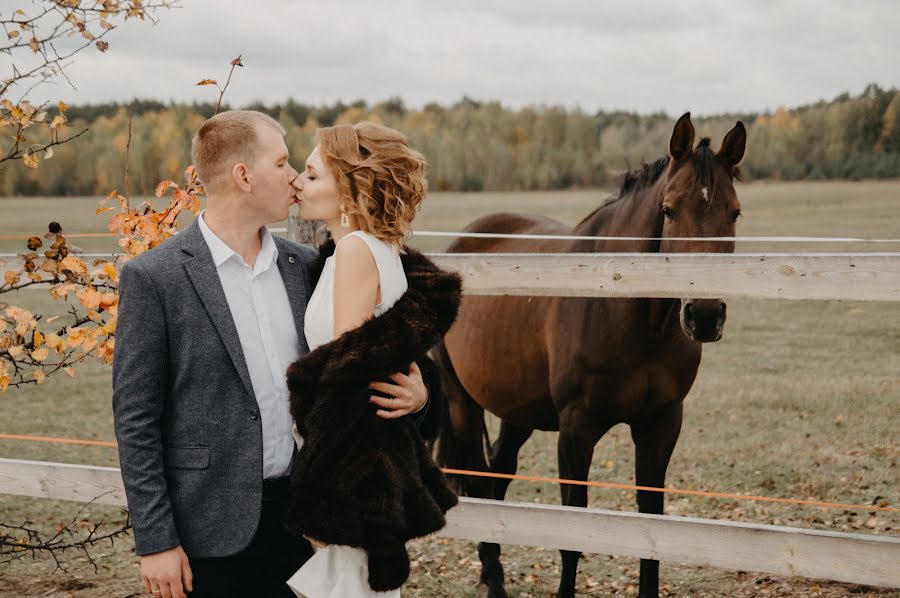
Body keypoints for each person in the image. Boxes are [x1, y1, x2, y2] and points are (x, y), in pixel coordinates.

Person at [112, 110, 434, 598]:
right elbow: (136, 418)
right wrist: (156, 542)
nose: (293, 177)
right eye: (283, 162)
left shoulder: (307, 267)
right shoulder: (156, 278)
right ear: (243, 176)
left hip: (302, 524)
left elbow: (375, 361)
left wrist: (420, 397)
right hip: (208, 529)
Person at [283, 122, 459, 598]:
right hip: (367, 470)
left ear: (349, 189)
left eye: (313, 175)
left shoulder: (358, 251)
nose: (298, 181)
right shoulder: (368, 249)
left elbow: (347, 382)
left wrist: (323, 499)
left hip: (357, 478)